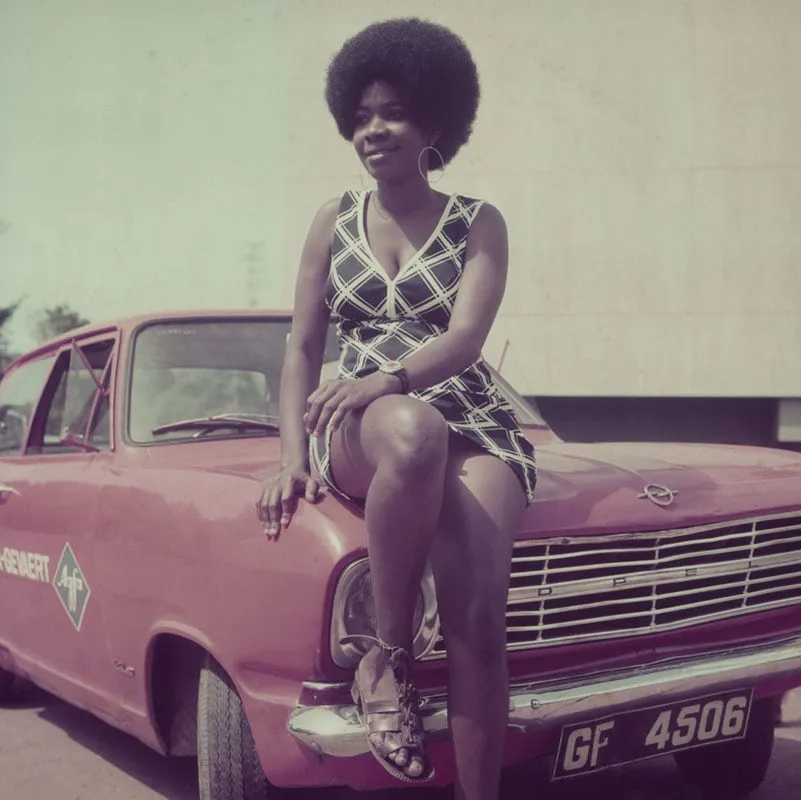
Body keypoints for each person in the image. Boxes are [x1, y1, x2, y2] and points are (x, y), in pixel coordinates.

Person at [256, 18, 537, 800]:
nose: (373, 129)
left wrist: (393, 377)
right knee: (414, 433)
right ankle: (388, 658)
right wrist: (291, 458)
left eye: (395, 113)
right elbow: (301, 348)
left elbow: (467, 339)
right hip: (365, 425)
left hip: (471, 419)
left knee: (478, 618)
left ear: (435, 124)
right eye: (362, 115)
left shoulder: (478, 221)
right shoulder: (333, 219)